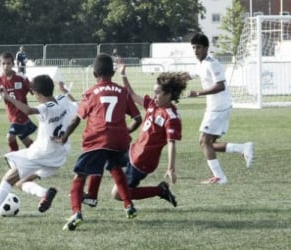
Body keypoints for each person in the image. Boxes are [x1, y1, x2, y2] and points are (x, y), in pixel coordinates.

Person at [0, 75, 78, 225]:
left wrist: (7, 96)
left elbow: (27, 110)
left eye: (33, 93)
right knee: (20, 182)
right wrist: (65, 91)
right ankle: (44, 193)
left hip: (40, 154)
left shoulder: (45, 108)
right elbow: (76, 104)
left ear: (38, 94)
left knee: (8, 179)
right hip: (59, 156)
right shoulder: (63, 100)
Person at [56, 53, 142, 231]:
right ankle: (128, 205)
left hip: (97, 138)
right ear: (113, 72)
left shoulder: (90, 93)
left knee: (79, 175)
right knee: (115, 167)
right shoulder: (123, 92)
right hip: (119, 140)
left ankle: (76, 213)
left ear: (95, 73)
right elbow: (138, 118)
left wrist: (64, 137)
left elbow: (76, 120)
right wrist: (125, 132)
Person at [84, 63, 186, 208]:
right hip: (133, 151)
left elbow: (171, 143)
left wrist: (171, 169)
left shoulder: (172, 117)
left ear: (168, 94)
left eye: (158, 93)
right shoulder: (153, 104)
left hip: (143, 161)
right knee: (104, 153)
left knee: (118, 194)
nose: (154, 96)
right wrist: (123, 74)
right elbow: (131, 94)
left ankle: (160, 190)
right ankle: (91, 195)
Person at [187, 33, 254, 184]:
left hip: (218, 107)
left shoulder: (212, 63)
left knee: (204, 141)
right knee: (208, 144)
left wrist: (197, 93)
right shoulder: (200, 63)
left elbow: (220, 85)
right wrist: (170, 79)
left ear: (205, 48)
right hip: (215, 107)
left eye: (198, 47)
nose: (195, 50)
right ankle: (242, 148)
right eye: (193, 48)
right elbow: (188, 75)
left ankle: (220, 177)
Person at [0, 52, 37, 152]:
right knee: (26, 141)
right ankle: (39, 156)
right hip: (11, 115)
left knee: (10, 137)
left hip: (21, 113)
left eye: (8, 63)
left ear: (13, 64)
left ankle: (14, 162)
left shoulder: (21, 78)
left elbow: (34, 91)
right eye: (3, 63)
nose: (6, 66)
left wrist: (36, 88)